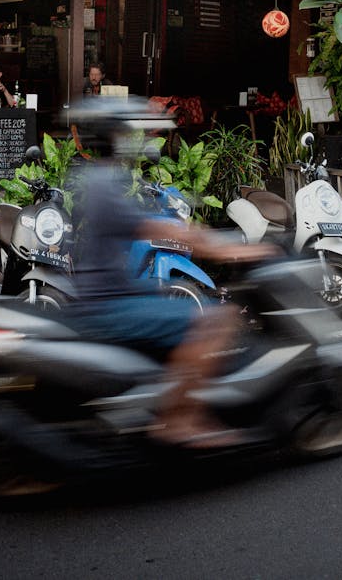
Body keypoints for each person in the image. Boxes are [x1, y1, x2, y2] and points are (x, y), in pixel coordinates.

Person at [67, 99, 271, 449]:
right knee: (213, 319)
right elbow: (163, 229)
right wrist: (232, 249)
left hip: (109, 295)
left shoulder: (96, 177)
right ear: (113, 138)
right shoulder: (104, 183)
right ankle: (180, 420)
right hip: (110, 306)